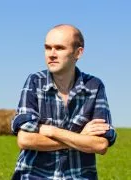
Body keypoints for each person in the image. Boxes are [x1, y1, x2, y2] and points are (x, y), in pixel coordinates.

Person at [11, 24, 117, 180]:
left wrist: (52, 131)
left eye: (59, 48)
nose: (51, 54)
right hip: (34, 175)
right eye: (48, 48)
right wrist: (80, 137)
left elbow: (100, 145)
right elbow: (25, 139)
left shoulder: (94, 86)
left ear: (78, 52)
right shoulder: (35, 82)